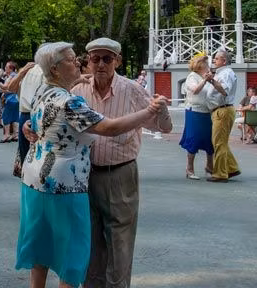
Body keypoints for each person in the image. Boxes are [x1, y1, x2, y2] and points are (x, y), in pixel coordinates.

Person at [16, 42, 165, 288]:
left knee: (40, 244)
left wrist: (31, 127)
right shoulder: (70, 102)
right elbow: (110, 128)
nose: (81, 63)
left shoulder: (43, 90)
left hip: (35, 179)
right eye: (75, 60)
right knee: (73, 252)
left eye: (106, 59)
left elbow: (35, 121)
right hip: (65, 184)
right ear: (54, 69)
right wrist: (148, 112)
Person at [70, 37, 173, 288]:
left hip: (121, 173)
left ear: (117, 60)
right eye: (95, 59)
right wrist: (32, 126)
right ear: (88, 61)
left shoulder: (132, 90)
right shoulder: (77, 91)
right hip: (84, 175)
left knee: (120, 240)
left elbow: (164, 127)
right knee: (90, 239)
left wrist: (161, 109)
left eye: (107, 58)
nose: (101, 64)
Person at [204, 49, 240, 182]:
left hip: (222, 110)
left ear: (224, 61)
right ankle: (231, 168)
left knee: (218, 142)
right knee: (221, 142)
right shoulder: (222, 73)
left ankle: (220, 173)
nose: (214, 60)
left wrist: (212, 81)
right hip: (220, 110)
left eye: (217, 58)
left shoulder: (226, 73)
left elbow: (224, 91)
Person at [179, 53, 214, 181]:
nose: (208, 67)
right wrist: (205, 80)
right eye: (206, 65)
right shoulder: (192, 77)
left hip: (207, 111)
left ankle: (209, 167)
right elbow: (195, 90)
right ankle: (189, 169)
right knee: (194, 140)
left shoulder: (206, 77)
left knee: (210, 140)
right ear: (200, 66)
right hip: (194, 111)